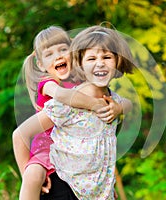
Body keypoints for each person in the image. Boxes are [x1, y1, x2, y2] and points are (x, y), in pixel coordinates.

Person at [13, 25, 135, 199]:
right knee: (33, 176)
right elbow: (63, 96)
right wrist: (94, 104)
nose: (99, 63)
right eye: (91, 58)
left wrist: (118, 107)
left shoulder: (102, 92)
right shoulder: (57, 91)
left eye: (63, 49)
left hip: (90, 184)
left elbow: (129, 104)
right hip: (46, 150)